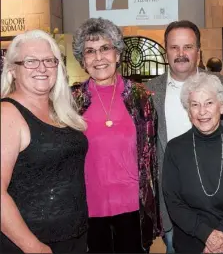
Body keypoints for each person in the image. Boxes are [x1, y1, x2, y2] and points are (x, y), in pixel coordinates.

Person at [145, 20, 223, 253]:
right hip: (172, 208)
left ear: (199, 51)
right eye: (174, 47)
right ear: (166, 52)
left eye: (188, 47)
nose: (181, 53)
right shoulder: (148, 92)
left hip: (219, 205)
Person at [71, 18, 161, 253]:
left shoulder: (140, 97)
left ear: (118, 54)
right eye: (90, 51)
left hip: (132, 208)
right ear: (83, 60)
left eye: (105, 48)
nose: (98, 57)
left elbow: (151, 157)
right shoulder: (71, 102)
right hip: (88, 209)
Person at [1, 30, 88, 253]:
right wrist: (33, 247)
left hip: (73, 238)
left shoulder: (61, 111)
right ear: (12, 70)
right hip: (31, 243)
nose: (42, 68)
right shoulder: (7, 114)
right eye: (30, 61)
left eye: (49, 60)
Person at [162, 72, 223, 253]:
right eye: (195, 105)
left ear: (221, 107)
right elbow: (173, 202)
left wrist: (220, 236)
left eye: (209, 103)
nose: (202, 111)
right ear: (188, 111)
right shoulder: (174, 149)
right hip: (192, 242)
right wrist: (207, 235)